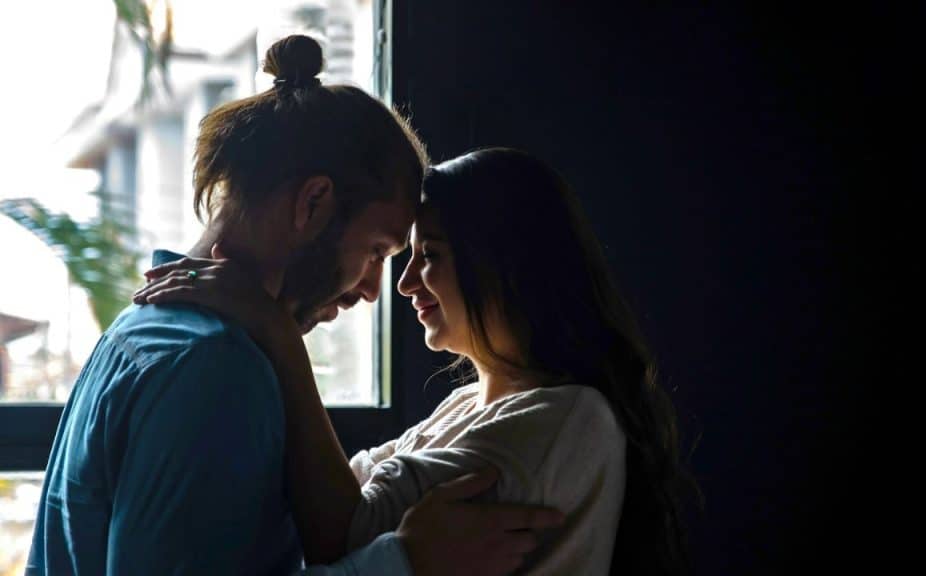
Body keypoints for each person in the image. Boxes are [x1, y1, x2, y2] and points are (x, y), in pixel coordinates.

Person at [27, 35, 559, 576]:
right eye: (377, 251)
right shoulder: (214, 366)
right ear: (313, 202)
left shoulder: (140, 328)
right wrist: (406, 561)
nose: (375, 289)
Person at [138, 148, 702, 574]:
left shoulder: (570, 419)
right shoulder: (468, 405)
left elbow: (343, 531)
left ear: (506, 263)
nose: (404, 284)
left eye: (428, 256)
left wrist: (278, 336)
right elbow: (346, 488)